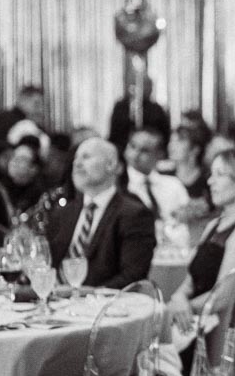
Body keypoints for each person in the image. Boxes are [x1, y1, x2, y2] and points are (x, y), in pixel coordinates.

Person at [169, 147, 235, 322]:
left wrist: (179, 311)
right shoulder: (214, 225)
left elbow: (223, 298)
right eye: (211, 174)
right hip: (200, 321)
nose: (210, 181)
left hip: (226, 333)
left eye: (220, 174)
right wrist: (178, 299)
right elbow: (191, 281)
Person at [45, 137, 155, 288]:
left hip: (103, 305)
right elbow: (47, 263)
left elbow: (133, 276)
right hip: (54, 303)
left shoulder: (134, 215)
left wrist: (85, 294)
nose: (76, 164)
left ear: (110, 165)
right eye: (76, 158)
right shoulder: (63, 213)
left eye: (86, 157)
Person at [123, 127, 190, 226]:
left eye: (144, 150)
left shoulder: (173, 185)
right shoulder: (120, 184)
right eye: (132, 146)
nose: (135, 154)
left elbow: (187, 220)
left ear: (159, 154)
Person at [0, 84, 50, 165]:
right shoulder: (4, 118)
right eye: (36, 104)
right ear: (22, 100)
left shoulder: (32, 122)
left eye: (41, 105)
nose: (40, 109)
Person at [108, 75, 171, 154]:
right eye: (144, 85)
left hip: (150, 153)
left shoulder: (156, 109)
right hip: (123, 150)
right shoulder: (121, 107)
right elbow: (115, 133)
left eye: (150, 86)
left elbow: (164, 133)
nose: (149, 89)